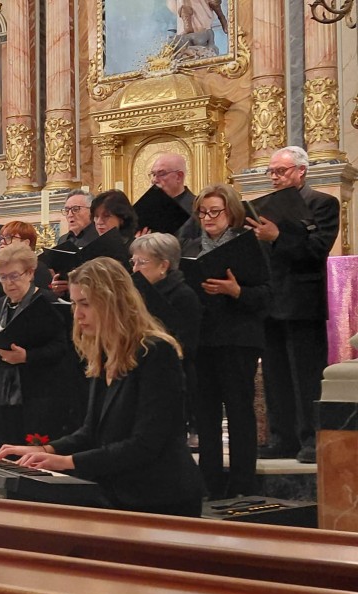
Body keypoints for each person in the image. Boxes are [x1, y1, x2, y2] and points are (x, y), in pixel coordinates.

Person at [0, 257, 205, 517]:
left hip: (160, 497)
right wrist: (45, 450)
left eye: (85, 304)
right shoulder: (104, 352)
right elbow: (91, 431)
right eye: (74, 304)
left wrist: (67, 462)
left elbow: (146, 443)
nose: (78, 314)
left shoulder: (155, 352)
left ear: (114, 303)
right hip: (119, 490)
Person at [252, 146, 340, 463]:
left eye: (281, 171)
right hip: (269, 298)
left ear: (301, 171)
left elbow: (317, 249)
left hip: (302, 301)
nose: (275, 177)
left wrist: (276, 237)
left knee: (305, 375)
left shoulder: (323, 203)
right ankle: (282, 437)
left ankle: (311, 440)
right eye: (272, 172)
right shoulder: (263, 207)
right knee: (275, 375)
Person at [183, 184, 270, 498]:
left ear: (231, 212)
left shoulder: (248, 246)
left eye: (214, 211)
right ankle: (209, 483)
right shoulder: (190, 248)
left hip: (237, 339)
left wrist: (237, 292)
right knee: (205, 414)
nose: (207, 217)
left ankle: (243, 484)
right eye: (203, 212)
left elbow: (266, 296)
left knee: (238, 412)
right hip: (202, 340)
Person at [0, 244, 86, 453]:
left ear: (30, 273)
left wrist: (27, 356)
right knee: (6, 452)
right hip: (4, 393)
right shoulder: (2, 304)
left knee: (31, 457)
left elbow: (63, 348)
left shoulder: (46, 302)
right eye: (2, 277)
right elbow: (0, 342)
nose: (8, 283)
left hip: (38, 396)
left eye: (14, 276)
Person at [129, 232, 202, 443]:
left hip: (171, 379)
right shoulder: (137, 295)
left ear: (164, 265)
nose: (135, 269)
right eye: (133, 262)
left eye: (142, 262)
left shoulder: (184, 295)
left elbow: (187, 345)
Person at [0, 220, 53, 290]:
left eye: (8, 238)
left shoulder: (37, 269)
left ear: (26, 243)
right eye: (1, 238)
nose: (2, 242)